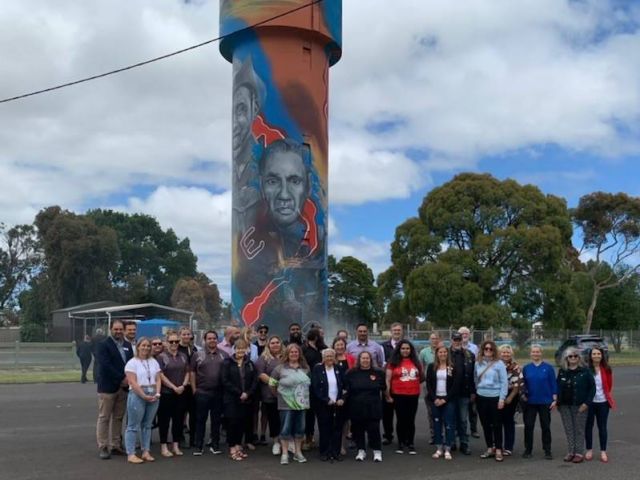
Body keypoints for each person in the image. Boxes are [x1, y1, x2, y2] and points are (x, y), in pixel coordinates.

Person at [95, 320, 134, 460]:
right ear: (110, 329)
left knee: (118, 417)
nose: (118, 331)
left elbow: (130, 364)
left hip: (123, 388)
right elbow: (105, 365)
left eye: (120, 329)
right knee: (104, 417)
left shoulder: (128, 346)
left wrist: (127, 379)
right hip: (107, 387)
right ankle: (103, 446)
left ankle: (116, 445)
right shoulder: (103, 345)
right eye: (115, 329)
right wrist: (120, 378)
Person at [269, 343, 311, 465]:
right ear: (287, 354)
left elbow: (309, 383)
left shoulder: (306, 368)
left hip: (301, 404)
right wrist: (279, 396)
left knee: (300, 429)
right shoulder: (280, 368)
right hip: (285, 404)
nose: (294, 354)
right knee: (285, 429)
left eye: (296, 352)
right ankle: (285, 453)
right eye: (291, 352)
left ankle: (298, 452)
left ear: (299, 354)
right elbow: (272, 384)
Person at [123, 337, 162, 464]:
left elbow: (158, 379)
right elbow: (132, 382)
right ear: (138, 347)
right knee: (133, 425)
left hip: (153, 393)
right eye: (143, 345)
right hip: (137, 394)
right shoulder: (131, 363)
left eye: (148, 346)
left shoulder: (154, 362)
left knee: (147, 425)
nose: (145, 348)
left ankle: (146, 451)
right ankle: (131, 453)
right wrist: (143, 395)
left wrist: (157, 393)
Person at [190, 330, 228, 456]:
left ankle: (215, 444)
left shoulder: (224, 355)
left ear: (217, 340)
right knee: (200, 420)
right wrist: (194, 389)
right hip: (202, 392)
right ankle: (198, 446)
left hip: (218, 393)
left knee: (216, 420)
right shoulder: (197, 354)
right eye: (209, 338)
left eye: (214, 338)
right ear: (205, 340)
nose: (212, 340)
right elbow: (192, 372)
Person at [344, 351, 386, 463]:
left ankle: (377, 451)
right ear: (359, 359)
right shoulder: (351, 373)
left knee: (374, 429)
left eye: (367, 358)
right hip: (356, 406)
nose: (365, 360)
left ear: (371, 360)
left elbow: (383, 387)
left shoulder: (378, 373)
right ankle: (361, 450)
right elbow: (347, 389)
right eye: (363, 358)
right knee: (358, 430)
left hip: (373, 406)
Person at [557, 346, 596, 463]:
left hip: (580, 405)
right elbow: (557, 386)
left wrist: (587, 403)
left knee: (579, 429)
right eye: (570, 356)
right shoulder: (562, 371)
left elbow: (592, 388)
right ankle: (571, 451)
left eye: (575, 356)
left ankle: (579, 452)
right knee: (569, 429)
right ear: (566, 358)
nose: (573, 358)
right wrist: (557, 401)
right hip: (564, 406)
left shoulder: (585, 371)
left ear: (579, 358)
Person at [222, 339, 258, 461]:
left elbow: (255, 381)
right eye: (238, 348)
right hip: (232, 398)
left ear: (247, 349)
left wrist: (248, 393)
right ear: (234, 349)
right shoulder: (227, 362)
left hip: (246, 399)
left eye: (243, 348)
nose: (241, 350)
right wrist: (239, 393)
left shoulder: (250, 364)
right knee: (232, 423)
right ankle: (232, 447)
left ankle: (238, 446)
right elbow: (225, 381)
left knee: (242, 423)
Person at [385, 339, 423, 454]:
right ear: (399, 350)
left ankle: (410, 443)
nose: (405, 351)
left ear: (411, 350)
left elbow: (420, 377)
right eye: (403, 349)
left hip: (413, 395)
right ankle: (400, 443)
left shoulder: (416, 362)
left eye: (407, 348)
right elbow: (387, 380)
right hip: (398, 395)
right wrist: (388, 395)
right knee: (401, 419)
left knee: (410, 420)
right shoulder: (392, 363)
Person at [156, 331, 190, 458]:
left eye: (176, 341)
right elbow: (160, 374)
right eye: (171, 341)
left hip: (181, 392)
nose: (174, 344)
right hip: (166, 393)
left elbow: (187, 372)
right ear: (167, 342)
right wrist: (173, 387)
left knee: (178, 420)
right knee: (164, 421)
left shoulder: (183, 356)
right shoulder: (161, 357)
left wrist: (183, 385)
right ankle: (164, 446)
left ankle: (175, 445)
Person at [521, 344, 556, 460]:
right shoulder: (526, 368)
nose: (535, 353)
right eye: (533, 352)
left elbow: (553, 384)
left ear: (541, 353)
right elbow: (523, 384)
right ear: (530, 354)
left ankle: (547, 450)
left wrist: (554, 399)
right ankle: (528, 449)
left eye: (537, 352)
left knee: (545, 426)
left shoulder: (549, 368)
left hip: (545, 401)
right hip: (530, 402)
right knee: (529, 426)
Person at [475, 340, 508, 462]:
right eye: (486, 349)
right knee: (485, 424)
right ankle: (490, 448)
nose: (488, 351)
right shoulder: (478, 364)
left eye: (490, 349)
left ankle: (499, 449)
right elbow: (475, 379)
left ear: (494, 350)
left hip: (495, 397)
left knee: (497, 424)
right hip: (481, 397)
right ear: (482, 350)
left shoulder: (499, 364)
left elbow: (504, 382)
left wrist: (502, 399)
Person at [311, 348, 346, 462]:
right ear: (323, 358)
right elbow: (315, 388)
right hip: (323, 404)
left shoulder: (339, 369)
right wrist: (326, 400)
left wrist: (342, 398)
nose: (329, 358)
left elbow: (345, 386)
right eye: (327, 356)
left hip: (338, 404)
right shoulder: (317, 369)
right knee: (324, 428)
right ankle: (324, 452)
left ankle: (335, 452)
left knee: (337, 429)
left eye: (331, 356)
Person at [255, 335, 285, 455]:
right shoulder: (264, 358)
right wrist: (276, 384)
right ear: (268, 345)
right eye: (272, 343)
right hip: (270, 394)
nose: (275, 344)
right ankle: (276, 442)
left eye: (277, 342)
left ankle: (286, 442)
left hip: (286, 395)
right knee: (274, 419)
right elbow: (261, 374)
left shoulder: (285, 356)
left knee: (285, 419)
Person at [585, 347, 615, 463]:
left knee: (602, 427)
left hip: (603, 403)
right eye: (594, 354)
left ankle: (603, 451)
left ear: (602, 356)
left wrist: (605, 397)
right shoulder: (586, 369)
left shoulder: (607, 369)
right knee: (588, 427)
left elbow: (609, 385)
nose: (596, 355)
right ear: (591, 356)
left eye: (598, 353)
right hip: (589, 403)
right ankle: (589, 449)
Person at [426, 345, 457, 460]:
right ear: (437, 354)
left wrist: (445, 399)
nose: (443, 354)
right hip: (436, 399)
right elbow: (428, 384)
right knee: (437, 424)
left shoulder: (452, 368)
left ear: (447, 354)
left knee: (449, 424)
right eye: (440, 352)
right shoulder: (431, 367)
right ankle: (439, 448)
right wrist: (435, 399)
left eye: (445, 352)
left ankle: (448, 448)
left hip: (448, 400)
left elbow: (455, 385)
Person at [449, 332, 475, 455]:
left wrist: (473, 391)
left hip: (464, 392)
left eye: (459, 339)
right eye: (455, 339)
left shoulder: (469, 354)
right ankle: (452, 442)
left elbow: (473, 376)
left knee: (463, 420)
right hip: (449, 393)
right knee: (451, 419)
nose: (457, 341)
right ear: (451, 340)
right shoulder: (445, 353)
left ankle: (464, 443)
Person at [380, 322, 404, 446]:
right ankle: (387, 435)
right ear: (391, 331)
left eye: (399, 330)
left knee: (402, 413)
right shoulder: (383, 346)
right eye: (394, 330)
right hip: (388, 384)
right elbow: (381, 364)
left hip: (402, 385)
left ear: (402, 331)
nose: (397, 332)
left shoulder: (406, 346)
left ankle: (403, 436)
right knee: (387, 413)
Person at [302, 327, 325, 450]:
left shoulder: (323, 349)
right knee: (309, 414)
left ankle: (324, 438)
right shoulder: (304, 349)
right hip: (308, 384)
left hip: (322, 384)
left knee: (323, 412)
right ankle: (308, 438)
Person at [499, 345, 522, 456]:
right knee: (496, 422)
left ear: (511, 354)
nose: (505, 354)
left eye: (508, 352)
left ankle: (508, 447)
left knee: (508, 421)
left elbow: (517, 385)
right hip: (496, 395)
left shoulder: (516, 367)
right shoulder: (495, 365)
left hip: (510, 395)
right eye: (503, 352)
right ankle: (497, 445)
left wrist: (509, 398)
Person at [177, 326, 198, 448]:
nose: (186, 336)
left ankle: (193, 438)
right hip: (181, 385)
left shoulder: (193, 349)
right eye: (183, 334)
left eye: (188, 334)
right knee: (180, 413)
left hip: (193, 385)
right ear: (180, 335)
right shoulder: (177, 348)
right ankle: (179, 437)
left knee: (194, 413)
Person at [419, 332, 441, 444]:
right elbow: (421, 368)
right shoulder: (424, 352)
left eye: (436, 338)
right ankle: (434, 435)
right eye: (432, 338)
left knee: (444, 411)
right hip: (429, 386)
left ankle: (443, 434)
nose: (434, 340)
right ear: (429, 340)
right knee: (431, 412)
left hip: (443, 385)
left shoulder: (444, 351)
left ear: (440, 339)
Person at [459, 326, 479, 439]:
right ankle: (461, 430)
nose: (464, 335)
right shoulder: (455, 347)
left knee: (473, 408)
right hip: (460, 382)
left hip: (472, 380)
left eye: (466, 333)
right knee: (460, 409)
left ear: (469, 335)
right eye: (462, 333)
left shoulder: (474, 348)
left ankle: (474, 429)